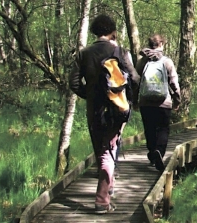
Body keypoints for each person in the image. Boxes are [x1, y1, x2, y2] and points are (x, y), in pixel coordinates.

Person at [69, 14, 139, 214]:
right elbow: (134, 78)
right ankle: (102, 201)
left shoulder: (83, 54)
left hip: (94, 110)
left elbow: (73, 83)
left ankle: (107, 188)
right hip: (117, 108)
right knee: (108, 151)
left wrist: (90, 95)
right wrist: (128, 99)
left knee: (102, 150)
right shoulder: (119, 51)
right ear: (113, 31)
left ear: (94, 31)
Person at [134, 34, 181, 172]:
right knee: (163, 128)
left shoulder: (142, 62)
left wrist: (135, 100)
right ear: (162, 44)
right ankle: (159, 151)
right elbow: (173, 82)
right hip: (163, 101)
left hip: (145, 102)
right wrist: (177, 99)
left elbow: (136, 82)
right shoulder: (167, 61)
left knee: (149, 128)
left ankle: (152, 152)